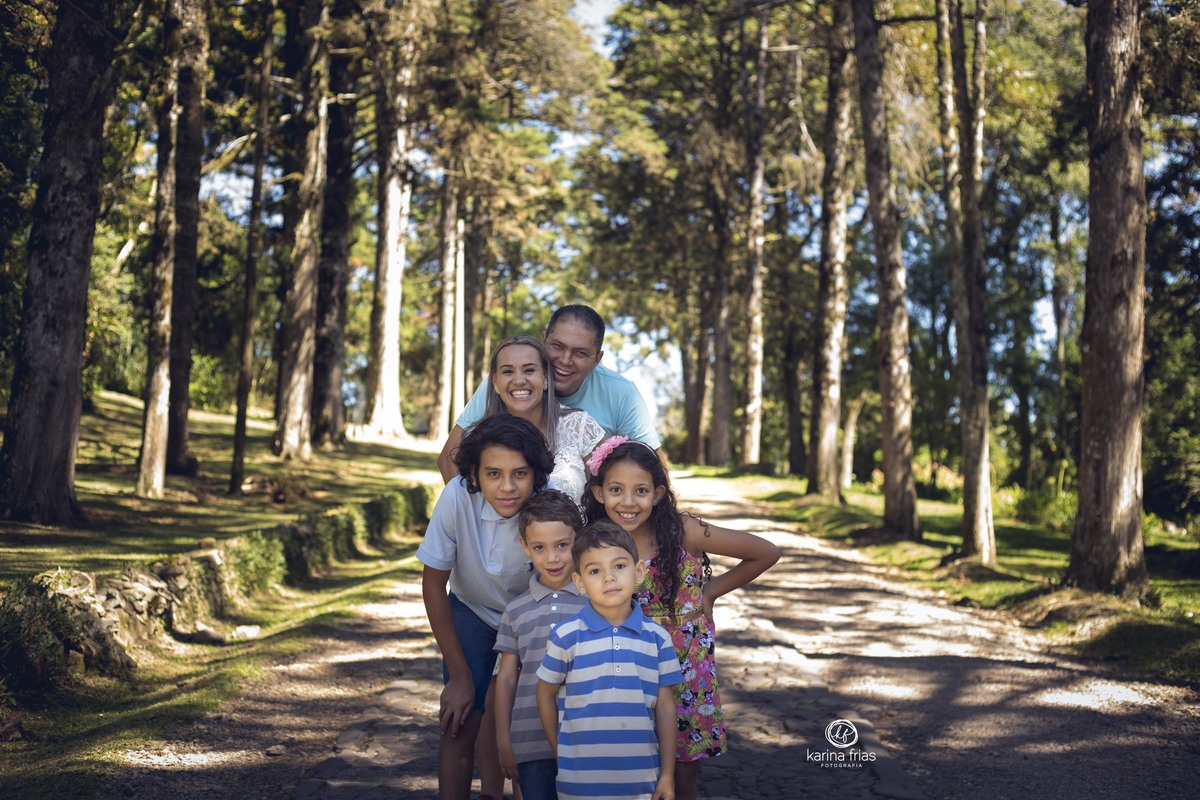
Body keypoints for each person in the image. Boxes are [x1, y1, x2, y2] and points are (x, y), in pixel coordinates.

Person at [581, 438, 781, 800]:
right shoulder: (597, 540)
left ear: (658, 494)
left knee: (684, 770)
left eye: (640, 490)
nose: (628, 502)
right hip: (626, 663)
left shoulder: (683, 531)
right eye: (615, 490)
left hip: (685, 662)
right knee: (629, 761)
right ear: (598, 493)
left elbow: (765, 552)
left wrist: (710, 591)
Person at [417, 415, 556, 800]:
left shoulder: (551, 505)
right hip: (473, 611)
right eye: (494, 473)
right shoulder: (456, 497)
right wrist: (460, 676)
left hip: (532, 616)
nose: (508, 487)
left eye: (520, 474)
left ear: (538, 475)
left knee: (527, 720)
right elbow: (433, 583)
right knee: (459, 716)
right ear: (474, 475)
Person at [536, 521, 684, 800]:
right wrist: (561, 752)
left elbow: (665, 707)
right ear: (579, 583)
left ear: (638, 572)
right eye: (595, 570)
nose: (609, 577)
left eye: (619, 566)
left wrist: (666, 776)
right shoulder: (565, 636)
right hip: (579, 783)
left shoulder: (657, 639)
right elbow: (545, 695)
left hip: (643, 781)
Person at [438, 305, 665, 481]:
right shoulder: (507, 381)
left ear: (597, 359)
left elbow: (653, 471)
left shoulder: (621, 393)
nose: (565, 360)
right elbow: (449, 459)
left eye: (580, 353)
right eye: (557, 346)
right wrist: (474, 522)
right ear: (543, 339)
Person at [494, 490, 588, 800]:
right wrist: (503, 739)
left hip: (588, 741)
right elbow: (506, 678)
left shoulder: (598, 602)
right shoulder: (516, 610)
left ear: (579, 538)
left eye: (562, 545)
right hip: (530, 742)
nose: (552, 558)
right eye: (539, 547)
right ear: (524, 547)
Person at [439, 334, 607, 505]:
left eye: (529, 370)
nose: (519, 380)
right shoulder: (479, 438)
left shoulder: (579, 426)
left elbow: (610, 492)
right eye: (508, 371)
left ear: (545, 376)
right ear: (495, 380)